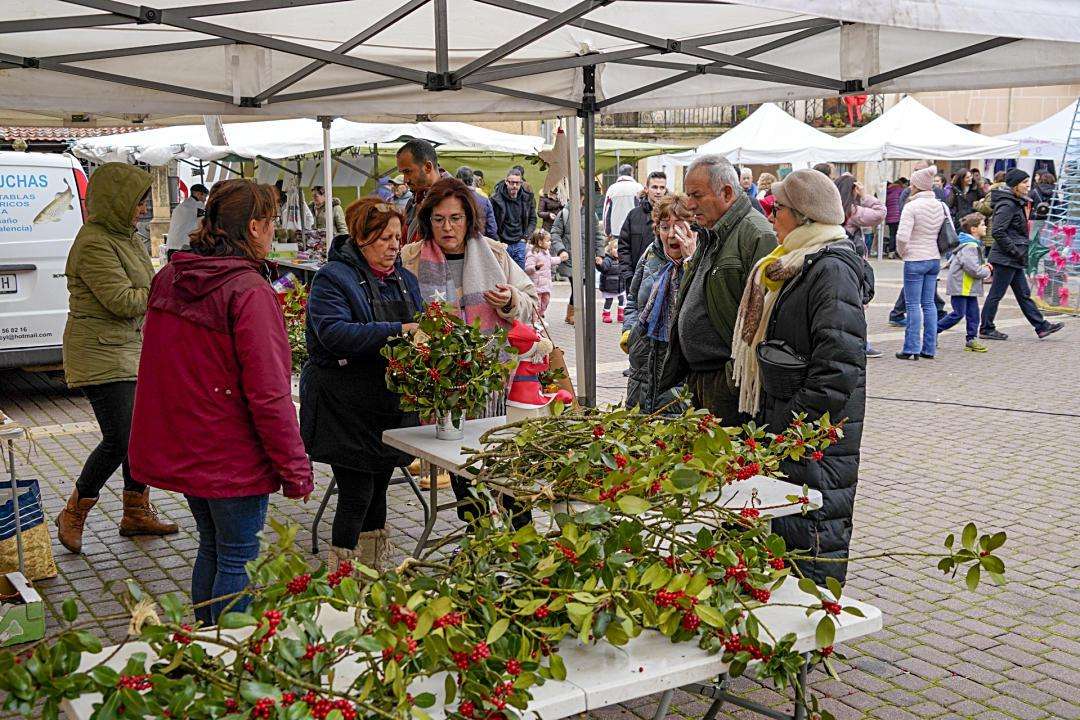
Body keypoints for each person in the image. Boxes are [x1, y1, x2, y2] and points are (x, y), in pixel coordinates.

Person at [128, 180, 313, 624]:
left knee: (213, 546)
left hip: (192, 442)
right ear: (253, 227)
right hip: (232, 451)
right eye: (270, 223)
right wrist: (295, 467)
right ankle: (224, 654)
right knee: (236, 557)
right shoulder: (248, 291)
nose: (273, 232)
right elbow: (270, 394)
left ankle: (205, 648)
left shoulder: (170, 276)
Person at [729, 168, 866, 586]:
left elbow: (839, 366)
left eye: (778, 209)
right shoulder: (795, 264)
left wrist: (795, 424)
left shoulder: (830, 270)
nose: (770, 217)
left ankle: (814, 629)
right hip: (794, 427)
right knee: (791, 529)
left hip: (815, 438)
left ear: (804, 217)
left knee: (814, 532)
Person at [401, 178, 539, 529]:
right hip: (446, 383)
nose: (447, 227)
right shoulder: (411, 259)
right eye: (439, 219)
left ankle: (520, 537)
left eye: (456, 218)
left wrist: (510, 301)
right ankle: (477, 536)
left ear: (469, 218)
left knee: (507, 464)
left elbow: (532, 303)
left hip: (493, 383)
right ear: (427, 220)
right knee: (463, 467)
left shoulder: (494, 254)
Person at [56, 163, 178, 555]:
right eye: (137, 203)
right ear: (116, 202)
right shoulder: (94, 243)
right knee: (120, 437)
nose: (142, 211)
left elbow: (146, 284)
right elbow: (123, 301)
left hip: (129, 350)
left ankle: (136, 511)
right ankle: (74, 510)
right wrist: (165, 290)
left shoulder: (125, 237)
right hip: (99, 353)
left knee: (139, 435)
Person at [300, 198, 422, 571]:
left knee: (380, 487)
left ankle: (372, 570)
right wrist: (398, 331)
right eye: (383, 238)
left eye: (397, 238)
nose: (392, 246)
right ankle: (346, 573)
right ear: (361, 237)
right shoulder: (333, 278)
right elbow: (335, 334)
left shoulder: (405, 280)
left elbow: (421, 325)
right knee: (356, 491)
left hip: (386, 401)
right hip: (342, 402)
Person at [659, 154, 777, 426]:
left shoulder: (756, 235)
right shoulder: (713, 231)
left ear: (726, 192)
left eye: (697, 196)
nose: (689, 205)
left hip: (728, 381)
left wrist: (731, 375)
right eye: (688, 195)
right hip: (706, 377)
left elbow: (766, 321)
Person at [622, 194, 691, 414]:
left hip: (679, 375)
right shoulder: (650, 254)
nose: (671, 234)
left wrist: (689, 263)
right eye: (664, 226)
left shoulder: (699, 261)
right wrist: (629, 333)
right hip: (642, 368)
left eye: (679, 227)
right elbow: (633, 298)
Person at [979, 169, 1065, 341]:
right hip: (1007, 256)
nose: (1028, 185)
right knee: (996, 294)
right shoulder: (1007, 204)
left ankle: (1041, 327)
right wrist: (1014, 251)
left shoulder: (1015, 201)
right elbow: (998, 231)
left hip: (1013, 256)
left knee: (1023, 294)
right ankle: (986, 328)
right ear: (1015, 185)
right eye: (1024, 182)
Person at [895, 165, 946, 360]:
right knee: (929, 304)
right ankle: (929, 348)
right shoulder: (940, 205)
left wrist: (902, 253)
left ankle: (911, 348)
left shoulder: (912, 206)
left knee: (913, 305)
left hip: (915, 258)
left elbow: (902, 236)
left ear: (916, 186)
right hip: (933, 258)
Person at [836, 175, 885, 358]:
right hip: (854, 260)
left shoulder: (834, 208)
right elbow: (880, 212)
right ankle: (862, 343)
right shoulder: (853, 210)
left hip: (836, 258)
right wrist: (865, 195)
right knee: (857, 302)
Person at [937, 213, 993, 353]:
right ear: (973, 229)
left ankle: (971, 339)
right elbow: (973, 269)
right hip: (962, 285)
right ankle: (933, 331)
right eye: (982, 225)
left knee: (973, 313)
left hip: (967, 286)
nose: (985, 227)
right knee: (958, 313)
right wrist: (987, 270)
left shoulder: (970, 244)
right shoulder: (970, 246)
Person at [550, 188, 605, 325]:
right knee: (578, 286)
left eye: (580, 196)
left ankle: (571, 314)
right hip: (570, 258)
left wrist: (600, 254)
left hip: (586, 258)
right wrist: (561, 250)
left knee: (581, 286)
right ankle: (573, 314)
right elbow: (555, 233)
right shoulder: (564, 214)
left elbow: (598, 236)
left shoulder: (591, 215)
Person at [617, 171, 667, 289]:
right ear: (646, 189)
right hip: (636, 279)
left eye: (662, 187)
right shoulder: (634, 215)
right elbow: (624, 247)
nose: (658, 191)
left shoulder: (672, 215)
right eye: (654, 187)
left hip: (664, 279)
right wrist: (628, 276)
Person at [395, 139, 444, 245]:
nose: (405, 180)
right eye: (403, 173)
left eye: (408, 171)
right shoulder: (414, 200)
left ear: (428, 167)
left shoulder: (455, 199)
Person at [490, 168, 536, 269]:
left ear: (521, 183)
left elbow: (533, 219)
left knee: (520, 278)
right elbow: (490, 221)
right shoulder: (495, 199)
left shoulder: (527, 198)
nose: (515, 186)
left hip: (520, 242)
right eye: (512, 182)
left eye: (518, 183)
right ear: (506, 182)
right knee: (504, 276)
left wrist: (525, 237)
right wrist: (497, 240)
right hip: (502, 243)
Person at [165, 183, 208, 260]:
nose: (205, 199)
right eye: (205, 196)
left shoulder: (181, 206)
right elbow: (202, 224)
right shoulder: (198, 205)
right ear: (198, 194)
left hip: (171, 246)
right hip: (185, 248)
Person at [603, 164, 644, 241]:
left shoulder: (612, 189)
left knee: (618, 252)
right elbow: (643, 210)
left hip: (616, 232)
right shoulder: (638, 187)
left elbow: (606, 212)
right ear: (632, 173)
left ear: (619, 174)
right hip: (635, 231)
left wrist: (607, 232)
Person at [524, 229, 560, 318]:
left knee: (545, 302)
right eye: (548, 241)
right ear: (540, 242)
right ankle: (535, 321)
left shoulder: (546, 253)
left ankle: (539, 316)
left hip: (546, 285)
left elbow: (550, 261)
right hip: (536, 285)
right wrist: (536, 267)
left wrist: (560, 259)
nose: (550, 243)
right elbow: (527, 269)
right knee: (537, 305)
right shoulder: (532, 254)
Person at [455, 166, 498, 239]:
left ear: (458, 179)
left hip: (457, 242)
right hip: (479, 241)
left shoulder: (453, 199)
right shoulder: (484, 200)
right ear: (472, 179)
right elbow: (492, 229)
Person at [595, 237, 624, 323]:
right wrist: (599, 264)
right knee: (609, 300)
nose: (617, 250)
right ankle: (606, 314)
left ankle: (621, 315)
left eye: (619, 248)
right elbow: (603, 268)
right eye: (615, 248)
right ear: (610, 250)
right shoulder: (608, 260)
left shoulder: (622, 260)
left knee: (622, 299)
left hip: (620, 285)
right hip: (609, 285)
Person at [884, 177, 907, 258]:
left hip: (890, 217)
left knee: (892, 234)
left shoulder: (887, 192)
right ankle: (899, 252)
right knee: (900, 234)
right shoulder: (901, 191)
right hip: (899, 215)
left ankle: (891, 252)